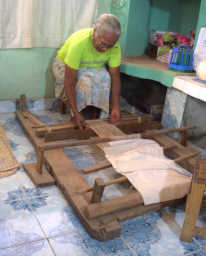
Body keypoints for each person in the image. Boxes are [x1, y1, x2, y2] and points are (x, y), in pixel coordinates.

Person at [53, 13, 121, 130]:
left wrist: (115, 107)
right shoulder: (80, 43)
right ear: (94, 32)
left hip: (91, 65)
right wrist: (75, 112)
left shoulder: (114, 47)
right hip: (65, 64)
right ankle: (77, 113)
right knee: (84, 80)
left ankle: (96, 111)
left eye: (110, 46)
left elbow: (115, 77)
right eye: (103, 44)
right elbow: (69, 80)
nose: (106, 49)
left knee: (105, 77)